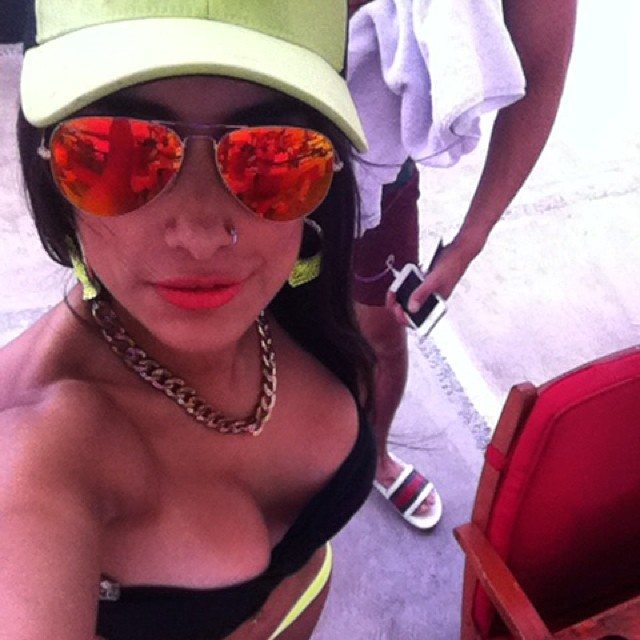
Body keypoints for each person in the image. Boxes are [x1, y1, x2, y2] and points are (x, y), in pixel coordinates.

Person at [0, 2, 377, 639]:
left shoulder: (296, 310)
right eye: (119, 155)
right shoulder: (40, 446)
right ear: (49, 175)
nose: (201, 235)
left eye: (273, 157)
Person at [348, 0, 577, 529]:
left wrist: (470, 239)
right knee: (262, 325)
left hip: (378, 168)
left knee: (381, 332)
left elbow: (541, 73)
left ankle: (374, 458)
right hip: (256, 140)